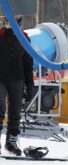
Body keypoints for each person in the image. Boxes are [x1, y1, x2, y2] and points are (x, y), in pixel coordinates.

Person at [0, 15, 34, 156]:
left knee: (15, 111)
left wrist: (29, 86)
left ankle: (11, 142)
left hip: (17, 78)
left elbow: (28, 63)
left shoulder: (24, 38)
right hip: (0, 77)